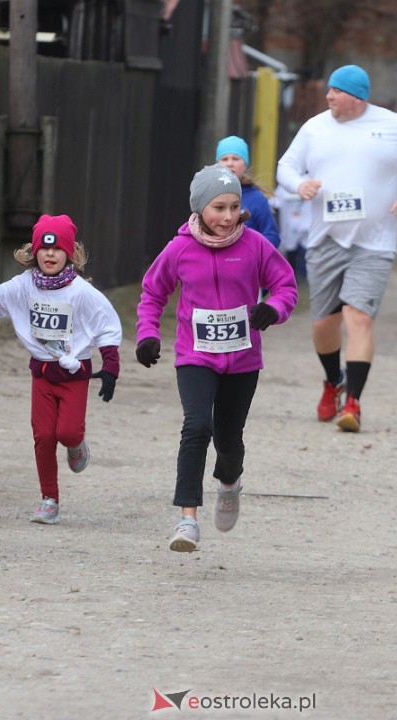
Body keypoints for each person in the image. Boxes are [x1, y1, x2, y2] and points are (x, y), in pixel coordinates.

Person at [135, 164, 298, 553]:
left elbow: (285, 286)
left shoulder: (256, 245)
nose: (227, 217)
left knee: (228, 440)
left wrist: (272, 309)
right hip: (195, 356)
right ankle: (187, 519)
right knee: (196, 427)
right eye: (218, 208)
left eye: (233, 208)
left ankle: (230, 482)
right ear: (200, 209)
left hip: (242, 362)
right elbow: (152, 293)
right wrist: (147, 335)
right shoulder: (179, 249)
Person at [276, 64, 397, 431]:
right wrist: (298, 185)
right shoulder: (315, 127)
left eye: (336, 91)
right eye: (329, 90)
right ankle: (334, 381)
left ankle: (354, 403)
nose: (329, 96)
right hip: (325, 239)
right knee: (323, 324)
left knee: (359, 318)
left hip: (374, 242)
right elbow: (286, 166)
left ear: (357, 96)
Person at [0, 214, 122, 524]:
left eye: (57, 249)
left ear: (69, 253)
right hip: (42, 375)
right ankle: (49, 500)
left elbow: (105, 326)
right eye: (44, 249)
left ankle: (77, 445)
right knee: (43, 436)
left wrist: (111, 368)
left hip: (74, 374)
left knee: (66, 432)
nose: (50, 255)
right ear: (34, 252)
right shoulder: (25, 285)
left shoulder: (81, 292)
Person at [215, 135, 281, 249]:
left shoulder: (257, 199)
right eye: (224, 159)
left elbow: (273, 236)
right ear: (217, 164)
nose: (230, 163)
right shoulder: (208, 195)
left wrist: (249, 251)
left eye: (235, 158)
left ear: (245, 165)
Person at [272, 184, 310, 278]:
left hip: (307, 225)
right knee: (291, 252)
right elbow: (274, 202)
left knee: (305, 252)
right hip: (289, 225)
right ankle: (293, 275)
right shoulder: (284, 185)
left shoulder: (311, 183)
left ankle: (303, 275)